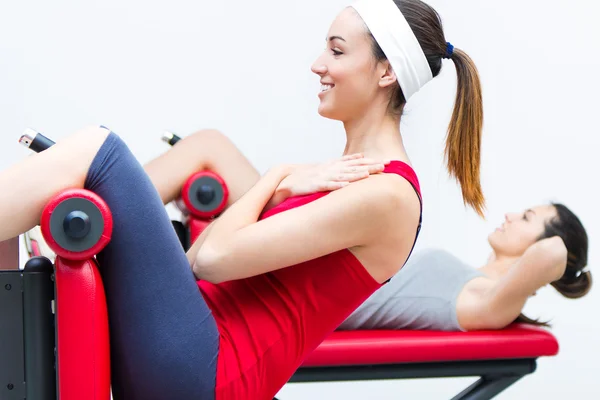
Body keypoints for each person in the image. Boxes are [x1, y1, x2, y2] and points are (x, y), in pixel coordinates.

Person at [0, 1, 485, 399]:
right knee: (90, 164)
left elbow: (209, 259)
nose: (318, 65)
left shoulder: (388, 194)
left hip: (206, 370)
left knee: (97, 151)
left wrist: (278, 177)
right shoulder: (351, 179)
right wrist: (285, 180)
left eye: (337, 52)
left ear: (385, 73)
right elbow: (199, 259)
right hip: (191, 350)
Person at [339, 203, 591, 332]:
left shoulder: (487, 301)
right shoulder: (478, 286)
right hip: (320, 284)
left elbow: (553, 252)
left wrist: (561, 263)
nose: (510, 215)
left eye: (526, 218)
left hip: (314, 302)